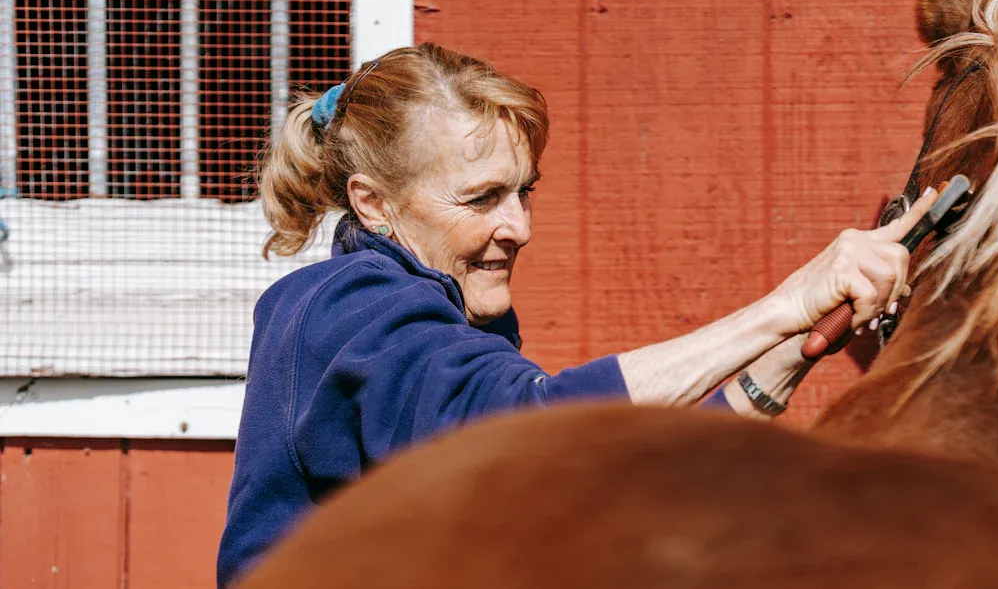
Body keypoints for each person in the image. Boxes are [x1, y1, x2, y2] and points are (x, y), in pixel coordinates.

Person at [216, 42, 936, 587]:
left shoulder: (438, 314)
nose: (520, 227)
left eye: (524, 191)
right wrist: (787, 304)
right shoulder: (348, 306)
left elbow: (587, 484)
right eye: (482, 198)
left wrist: (781, 361)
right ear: (373, 203)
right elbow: (531, 434)